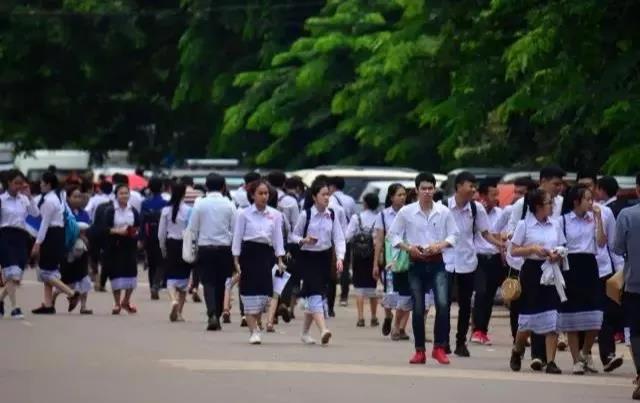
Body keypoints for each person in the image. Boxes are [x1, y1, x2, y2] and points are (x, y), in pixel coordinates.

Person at [387, 172, 458, 365]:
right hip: (416, 263)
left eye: (430, 188)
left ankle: (439, 348)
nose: (427, 192)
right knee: (418, 307)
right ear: (417, 190)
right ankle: (419, 350)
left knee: (442, 304)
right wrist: (408, 247)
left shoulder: (443, 211)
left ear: (434, 189)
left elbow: (454, 235)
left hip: (437, 262)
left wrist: (440, 245)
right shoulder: (406, 212)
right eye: (423, 188)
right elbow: (392, 235)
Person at [507, 165, 566, 370]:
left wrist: (557, 253)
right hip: (532, 271)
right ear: (538, 206)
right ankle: (517, 349)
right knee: (529, 318)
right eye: (549, 203)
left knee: (552, 316)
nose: (552, 206)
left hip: (551, 271)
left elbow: (562, 245)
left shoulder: (555, 224)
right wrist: (532, 249)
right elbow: (514, 250)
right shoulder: (524, 225)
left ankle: (551, 361)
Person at [445, 171, 504, 357]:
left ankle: (460, 342)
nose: (473, 190)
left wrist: (500, 244)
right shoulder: (443, 207)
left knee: (465, 305)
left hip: (467, 261)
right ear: (459, 186)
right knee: (444, 303)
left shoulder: (475, 208)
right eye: (470, 186)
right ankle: (443, 341)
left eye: (474, 186)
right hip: (446, 261)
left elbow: (485, 233)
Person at [558, 185, 607, 374]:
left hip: (589, 264)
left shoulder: (593, 219)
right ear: (576, 201)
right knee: (572, 315)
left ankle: (585, 352)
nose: (591, 202)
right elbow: (559, 244)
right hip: (570, 265)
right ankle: (575, 360)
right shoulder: (563, 220)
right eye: (587, 199)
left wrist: (599, 219)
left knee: (595, 314)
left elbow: (601, 242)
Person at [290, 180, 346, 346]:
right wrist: (304, 240)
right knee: (315, 293)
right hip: (308, 258)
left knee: (316, 293)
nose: (327, 197)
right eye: (323, 194)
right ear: (314, 197)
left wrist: (340, 258)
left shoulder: (332, 215)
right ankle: (323, 330)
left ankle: (305, 333)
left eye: (328, 194)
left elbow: (339, 237)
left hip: (325, 258)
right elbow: (294, 236)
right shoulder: (306, 215)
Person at [232, 180, 286, 344]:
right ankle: (253, 331)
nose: (264, 196)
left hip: (266, 255)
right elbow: (237, 237)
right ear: (252, 195)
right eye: (260, 193)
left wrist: (280, 258)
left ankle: (257, 322)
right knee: (248, 292)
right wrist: (236, 259)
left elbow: (278, 238)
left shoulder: (275, 214)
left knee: (264, 294)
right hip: (249, 253)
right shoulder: (243, 214)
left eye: (266, 193)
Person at [188, 173, 237, 331]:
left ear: (206, 186)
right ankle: (218, 312)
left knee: (208, 282)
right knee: (221, 282)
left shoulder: (200, 204)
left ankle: (212, 314)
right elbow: (234, 229)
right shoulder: (229, 204)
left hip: (205, 247)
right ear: (223, 187)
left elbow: (193, 228)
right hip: (224, 248)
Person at [31, 172, 81, 315]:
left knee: (45, 272)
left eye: (42, 182)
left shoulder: (49, 201)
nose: (40, 185)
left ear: (48, 184)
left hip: (51, 235)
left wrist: (37, 243)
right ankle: (48, 304)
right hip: (58, 234)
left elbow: (44, 224)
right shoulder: (59, 196)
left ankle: (71, 293)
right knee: (50, 270)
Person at [613, 173, 640, 400]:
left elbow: (617, 247)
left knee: (637, 333)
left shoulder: (627, 215)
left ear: (638, 189)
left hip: (635, 283)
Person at [471, 179, 506, 346]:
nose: (496, 198)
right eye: (493, 195)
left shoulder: (500, 213)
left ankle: (482, 330)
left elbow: (504, 234)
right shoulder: (474, 212)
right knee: (481, 292)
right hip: (479, 258)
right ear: (483, 196)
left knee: (489, 296)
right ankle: (477, 329)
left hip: (495, 258)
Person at [373, 183, 410, 340]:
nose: (402, 198)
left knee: (407, 294)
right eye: (399, 195)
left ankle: (399, 327)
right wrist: (375, 263)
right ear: (391, 197)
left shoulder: (410, 213)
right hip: (390, 262)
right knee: (390, 294)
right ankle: (388, 316)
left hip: (407, 259)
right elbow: (379, 241)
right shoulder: (383, 216)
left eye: (404, 195)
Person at [0, 170, 38, 318]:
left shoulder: (24, 199)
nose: (18, 186)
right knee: (11, 273)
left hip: (21, 237)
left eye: (21, 183)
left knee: (17, 276)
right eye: (16, 183)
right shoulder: (2, 199)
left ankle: (1, 300)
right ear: (8, 183)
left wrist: (30, 196)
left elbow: (35, 213)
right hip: (5, 236)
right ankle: (15, 307)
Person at [104, 184, 141, 315]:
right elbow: (105, 229)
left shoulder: (133, 210)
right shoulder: (110, 211)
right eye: (121, 193)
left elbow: (138, 226)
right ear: (116, 195)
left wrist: (135, 234)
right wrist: (118, 231)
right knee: (116, 273)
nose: (124, 196)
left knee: (131, 273)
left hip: (130, 245)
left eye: (126, 193)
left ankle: (126, 300)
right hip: (115, 245)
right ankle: (117, 303)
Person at [56, 186, 93, 314]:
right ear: (68, 198)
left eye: (79, 196)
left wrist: (84, 237)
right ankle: (52, 298)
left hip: (82, 249)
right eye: (75, 196)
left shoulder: (84, 213)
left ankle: (83, 306)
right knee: (65, 279)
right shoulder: (64, 213)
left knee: (84, 277)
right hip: (68, 249)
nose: (78, 199)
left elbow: (88, 228)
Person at [158, 183, 192, 322]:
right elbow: (191, 230)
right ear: (184, 193)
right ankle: (179, 313)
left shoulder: (166, 210)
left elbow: (161, 233)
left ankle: (173, 300)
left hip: (171, 244)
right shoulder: (189, 210)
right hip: (184, 246)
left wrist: (163, 248)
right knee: (184, 280)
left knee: (171, 278)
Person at [345, 193, 380, 328]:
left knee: (359, 288)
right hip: (373, 255)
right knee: (372, 287)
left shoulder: (356, 217)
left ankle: (360, 318)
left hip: (358, 256)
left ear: (365, 203)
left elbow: (348, 236)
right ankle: (374, 317)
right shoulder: (378, 218)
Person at [140, 177, 169, 300]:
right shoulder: (166, 203)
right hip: (162, 235)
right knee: (161, 262)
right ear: (162, 188)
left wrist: (141, 238)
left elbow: (142, 221)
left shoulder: (145, 203)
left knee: (151, 263)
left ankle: (152, 285)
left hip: (149, 235)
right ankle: (156, 285)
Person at [328, 176, 355, 309]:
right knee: (344, 266)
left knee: (330, 268)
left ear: (332, 186)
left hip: (331, 239)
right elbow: (353, 217)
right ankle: (344, 296)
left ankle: (327, 296)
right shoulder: (350, 200)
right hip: (345, 237)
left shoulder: (329, 200)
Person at [179, 175, 204, 303]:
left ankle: (183, 287)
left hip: (182, 231)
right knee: (196, 261)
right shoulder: (199, 194)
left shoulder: (179, 194)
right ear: (192, 184)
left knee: (184, 259)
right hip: (197, 231)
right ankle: (194, 286)